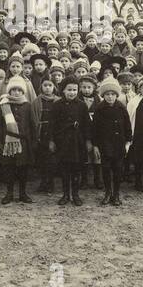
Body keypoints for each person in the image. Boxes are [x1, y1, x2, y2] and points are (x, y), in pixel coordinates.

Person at [0, 77, 38, 204]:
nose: (16, 92)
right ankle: (9, 193)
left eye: (19, 90)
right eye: (13, 90)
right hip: (7, 142)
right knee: (9, 168)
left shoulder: (27, 105)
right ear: (9, 91)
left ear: (23, 91)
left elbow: (33, 124)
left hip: (24, 143)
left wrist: (34, 140)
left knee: (22, 169)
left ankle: (22, 193)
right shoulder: (3, 105)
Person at [49, 77, 91, 206]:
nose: (72, 93)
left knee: (76, 169)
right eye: (69, 90)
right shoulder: (57, 105)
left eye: (74, 90)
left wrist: (88, 141)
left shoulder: (82, 105)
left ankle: (76, 194)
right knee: (65, 169)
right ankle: (66, 194)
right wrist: (51, 141)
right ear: (63, 90)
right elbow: (52, 125)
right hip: (63, 142)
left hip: (77, 142)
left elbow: (87, 125)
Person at [91, 76, 132, 206]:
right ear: (103, 95)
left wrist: (127, 143)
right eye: (107, 94)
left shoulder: (121, 108)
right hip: (105, 144)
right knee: (106, 168)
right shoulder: (99, 109)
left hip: (119, 143)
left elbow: (127, 127)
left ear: (116, 95)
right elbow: (95, 129)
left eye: (113, 94)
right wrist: (96, 145)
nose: (110, 97)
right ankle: (108, 192)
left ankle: (116, 194)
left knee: (118, 169)